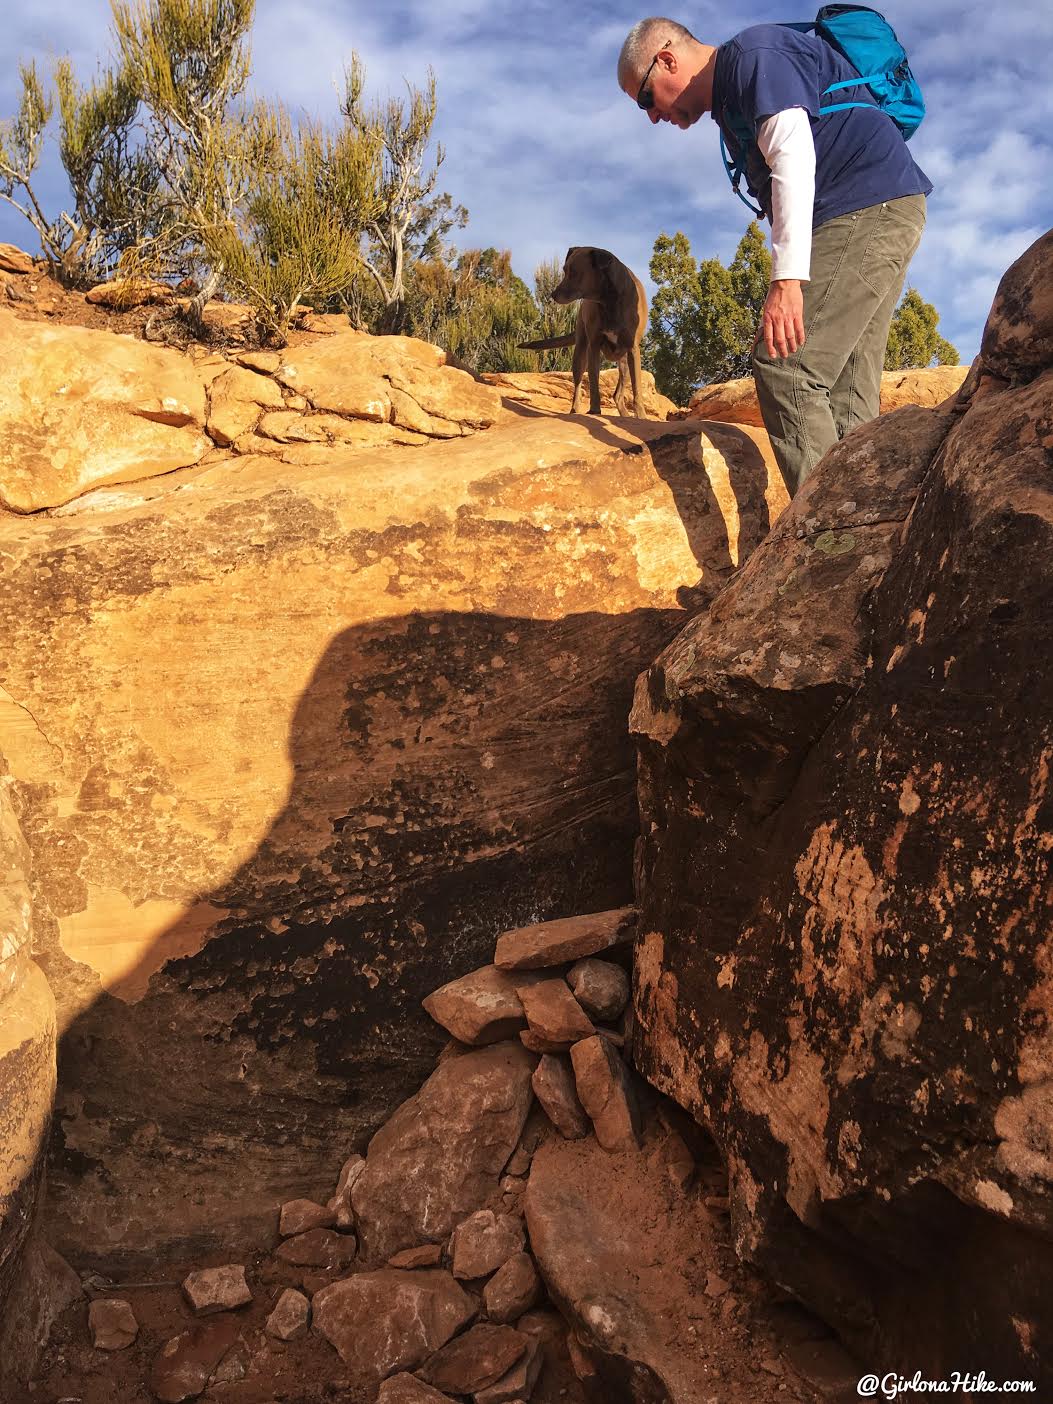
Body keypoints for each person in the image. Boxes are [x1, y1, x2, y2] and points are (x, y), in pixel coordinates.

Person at [617, 17, 932, 496]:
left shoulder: (752, 56)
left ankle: (830, 536)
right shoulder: (731, 96)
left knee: (786, 364)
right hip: (884, 203)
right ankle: (873, 529)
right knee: (847, 391)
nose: (651, 116)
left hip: (862, 205)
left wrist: (786, 282)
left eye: (644, 98)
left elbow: (792, 153)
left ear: (666, 58)